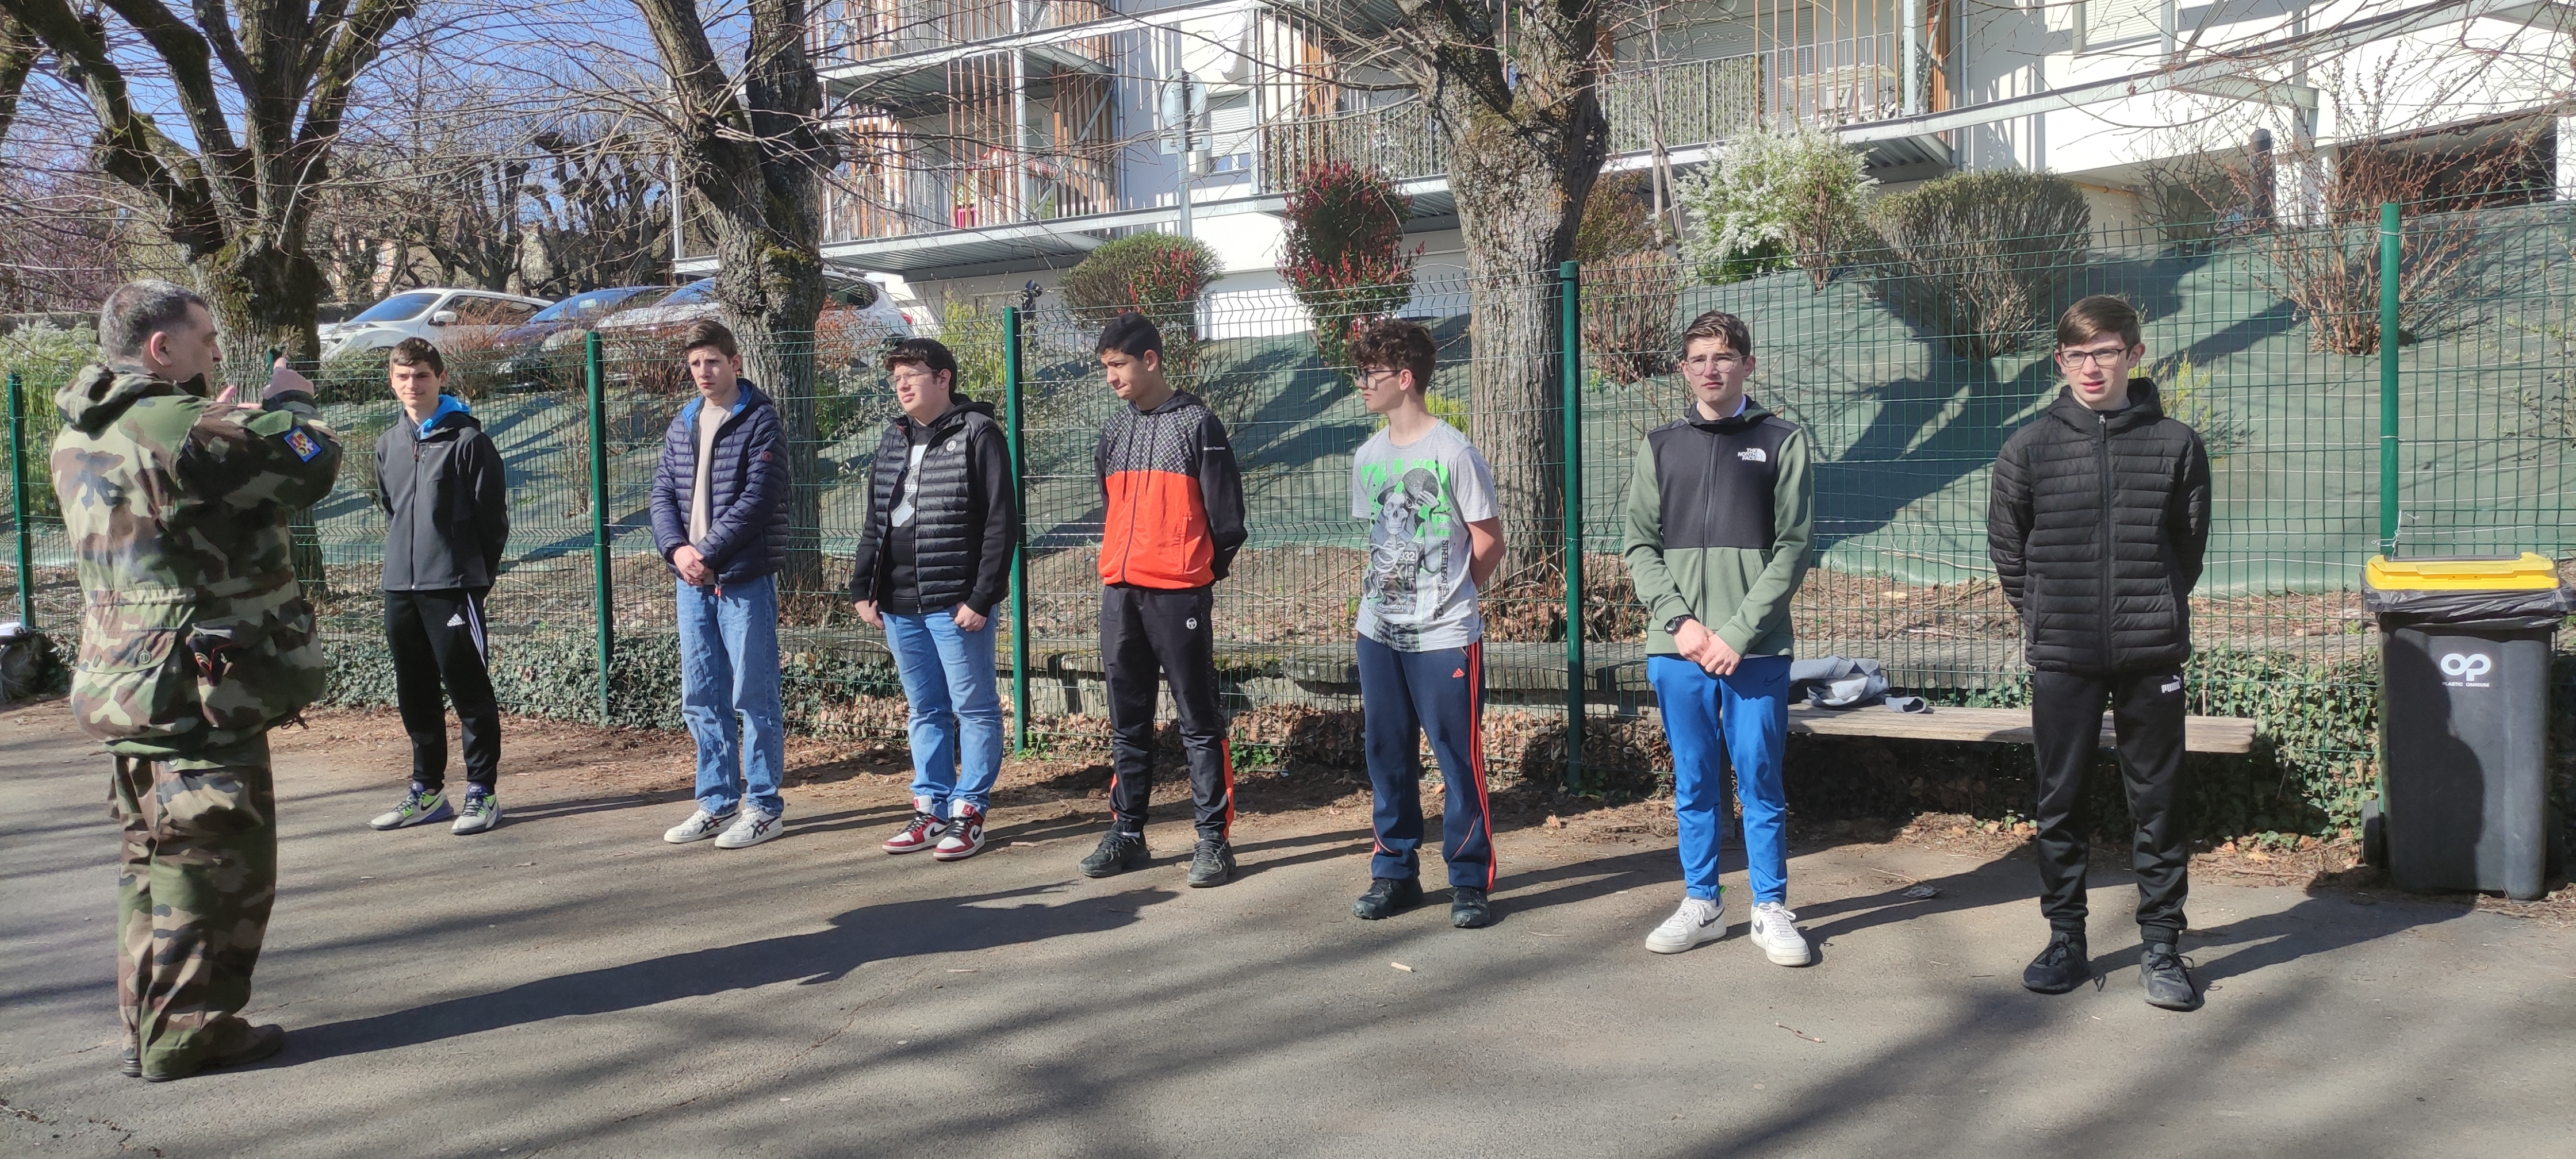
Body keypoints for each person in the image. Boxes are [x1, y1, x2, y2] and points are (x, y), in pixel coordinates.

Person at [55, 280, 340, 1080]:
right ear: (161, 348)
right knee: (212, 861)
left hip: (128, 678)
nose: (216, 351)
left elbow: (180, 517)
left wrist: (222, 421)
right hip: (198, 686)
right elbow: (310, 464)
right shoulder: (177, 424)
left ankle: (149, 1023)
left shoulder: (84, 431)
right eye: (206, 338)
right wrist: (289, 404)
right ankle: (192, 1032)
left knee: (151, 859)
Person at [1989, 294, 2211, 1012]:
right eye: (2078, 355)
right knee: (2060, 802)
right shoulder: (2028, 447)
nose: (2092, 367)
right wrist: (2050, 614)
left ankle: (2161, 947)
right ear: (2060, 361)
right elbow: (2008, 549)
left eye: (2106, 351)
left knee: (2159, 804)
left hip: (2151, 653)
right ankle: (2064, 940)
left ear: (2135, 356)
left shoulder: (2176, 444)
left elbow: (2187, 546)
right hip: (2063, 654)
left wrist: (2154, 606)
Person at [1623, 309, 1816, 967]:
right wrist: (1681, 625)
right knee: (1695, 780)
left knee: (1760, 778)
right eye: (1699, 358)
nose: (1711, 368)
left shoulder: (1782, 441)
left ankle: (1769, 908)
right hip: (1676, 649)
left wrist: (1735, 632)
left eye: (1725, 357)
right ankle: (1702, 902)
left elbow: (1792, 549)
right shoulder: (1659, 446)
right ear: (1684, 369)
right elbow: (1638, 546)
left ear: (1747, 366)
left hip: (1755, 649)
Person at [1340, 319, 1507, 928]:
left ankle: (1468, 880)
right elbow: (1381, 539)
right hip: (1378, 633)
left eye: (1370, 374)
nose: (1362, 384)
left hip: (1443, 638)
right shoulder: (1368, 457)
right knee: (1386, 753)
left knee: (1456, 758)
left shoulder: (1454, 453)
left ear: (1404, 379)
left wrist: (1449, 599)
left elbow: (1489, 543)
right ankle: (1395, 873)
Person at [1076, 312, 1247, 886]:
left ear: (1150, 360)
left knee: (1198, 720)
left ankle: (1211, 842)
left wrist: (1193, 575)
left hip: (1179, 595)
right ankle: (1128, 833)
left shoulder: (1200, 425)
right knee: (1128, 722)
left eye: (1118, 365)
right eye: (1105, 368)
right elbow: (1112, 508)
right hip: (1120, 592)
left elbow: (1228, 522)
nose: (1111, 378)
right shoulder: (1114, 432)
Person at [849, 337, 1017, 861]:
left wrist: (982, 597)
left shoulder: (979, 433)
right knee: (926, 708)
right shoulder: (893, 438)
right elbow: (877, 519)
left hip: (955, 603)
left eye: (912, 373)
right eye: (896, 375)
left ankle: (970, 814)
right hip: (900, 603)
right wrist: (864, 588)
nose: (901, 384)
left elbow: (1000, 524)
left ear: (943, 378)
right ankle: (931, 808)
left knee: (975, 709)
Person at [650, 320, 792, 850]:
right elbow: (662, 493)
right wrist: (678, 551)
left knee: (752, 694)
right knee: (701, 694)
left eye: (713, 361)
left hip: (742, 580)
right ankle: (715, 801)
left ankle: (763, 806)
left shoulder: (761, 421)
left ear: (735, 363)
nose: (703, 372)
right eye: (694, 364)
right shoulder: (683, 421)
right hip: (691, 582)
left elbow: (759, 499)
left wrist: (707, 553)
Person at [366, 337, 510, 835]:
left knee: (469, 691)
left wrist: (473, 578)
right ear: (392, 381)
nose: (413, 385)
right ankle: (427, 791)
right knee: (415, 692)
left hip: (453, 586)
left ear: (441, 377)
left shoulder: (469, 441)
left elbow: (493, 522)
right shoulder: (387, 443)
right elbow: (392, 508)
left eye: (422, 375)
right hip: (400, 588)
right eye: (403, 376)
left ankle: (481, 793)